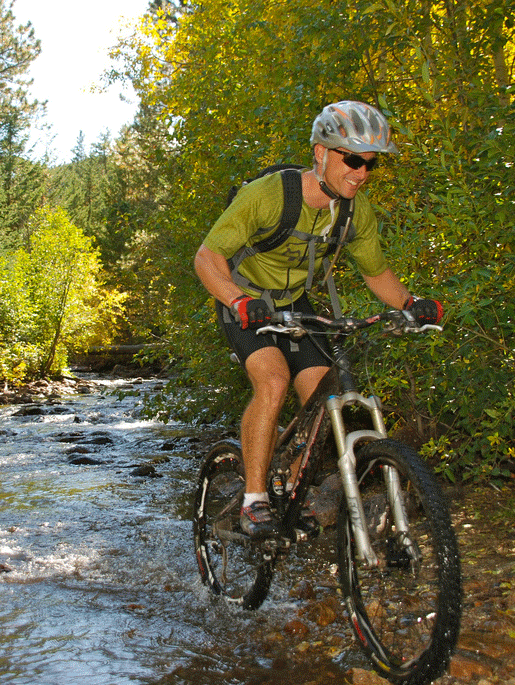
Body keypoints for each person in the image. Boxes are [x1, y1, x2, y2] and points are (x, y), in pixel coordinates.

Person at [193, 100, 444, 538]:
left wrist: (411, 302)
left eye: (370, 165)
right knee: (272, 381)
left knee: (324, 392)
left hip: (295, 301)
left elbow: (376, 272)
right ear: (322, 153)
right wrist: (238, 301)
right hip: (244, 298)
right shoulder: (270, 195)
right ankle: (254, 500)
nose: (361, 173)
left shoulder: (353, 211)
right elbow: (207, 257)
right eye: (352, 159)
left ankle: (292, 486)